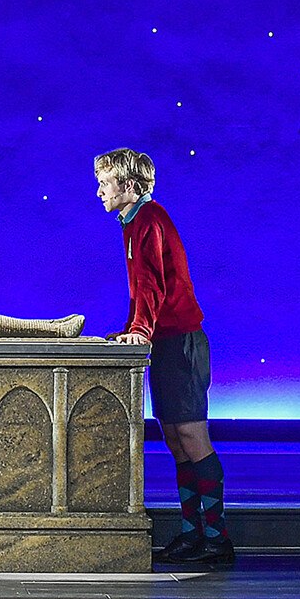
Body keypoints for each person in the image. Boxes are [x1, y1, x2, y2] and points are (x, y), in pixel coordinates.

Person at [95, 146, 231, 567]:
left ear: (129, 185)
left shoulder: (149, 219)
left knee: (191, 437)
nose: (100, 191)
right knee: (174, 439)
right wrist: (132, 326)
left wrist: (140, 330)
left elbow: (153, 283)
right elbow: (142, 287)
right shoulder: (132, 222)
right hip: (167, 341)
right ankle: (193, 534)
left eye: (106, 183)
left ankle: (217, 539)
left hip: (182, 342)